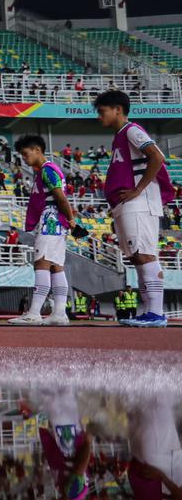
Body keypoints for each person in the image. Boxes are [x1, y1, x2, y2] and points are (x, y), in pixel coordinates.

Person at [94, 89, 174, 328]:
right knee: (138, 257)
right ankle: (150, 312)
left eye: (102, 111)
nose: (99, 116)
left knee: (145, 254)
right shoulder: (120, 135)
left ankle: (157, 313)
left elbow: (157, 157)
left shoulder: (131, 130)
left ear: (118, 109)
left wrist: (138, 190)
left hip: (140, 202)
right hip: (128, 203)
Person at [10, 135, 84, 326]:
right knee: (56, 266)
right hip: (57, 221)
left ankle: (34, 312)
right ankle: (59, 313)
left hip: (51, 219)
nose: (24, 159)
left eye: (26, 154)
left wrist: (71, 219)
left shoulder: (47, 170)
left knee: (42, 263)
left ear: (37, 150)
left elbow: (60, 197)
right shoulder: (48, 170)